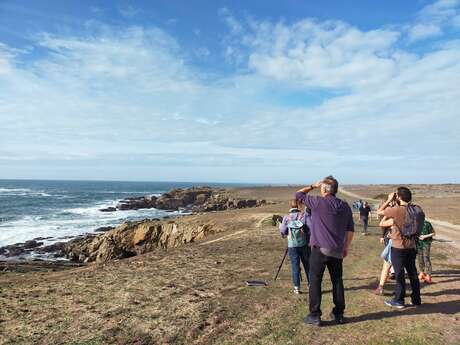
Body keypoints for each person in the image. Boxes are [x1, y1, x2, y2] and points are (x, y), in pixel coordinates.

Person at [295, 175, 354, 326]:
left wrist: (312, 185)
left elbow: (298, 195)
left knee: (315, 281)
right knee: (337, 281)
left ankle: (314, 315)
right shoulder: (345, 206)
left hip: (319, 250)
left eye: (321, 188)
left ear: (324, 189)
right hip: (337, 251)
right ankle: (339, 314)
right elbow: (350, 230)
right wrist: (345, 248)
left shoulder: (318, 202)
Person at [377, 187, 422, 309]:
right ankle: (416, 299)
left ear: (399, 197)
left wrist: (388, 199)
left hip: (398, 246)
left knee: (399, 274)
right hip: (411, 246)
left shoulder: (397, 210)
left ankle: (399, 300)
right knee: (413, 273)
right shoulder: (417, 209)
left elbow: (379, 212)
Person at [279, 200, 311, 294]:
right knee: (307, 266)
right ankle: (311, 286)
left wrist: (281, 228)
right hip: (304, 244)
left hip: (292, 246)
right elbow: (309, 229)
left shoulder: (286, 217)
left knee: (295, 266)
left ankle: (296, 288)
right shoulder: (303, 216)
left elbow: (283, 231)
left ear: (291, 206)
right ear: (298, 206)